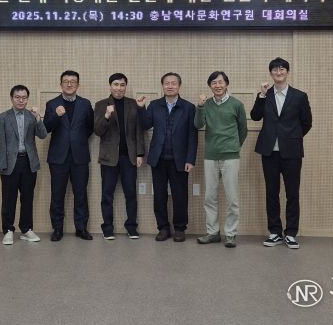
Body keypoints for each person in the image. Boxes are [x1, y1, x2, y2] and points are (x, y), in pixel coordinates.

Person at [251, 57, 312, 249]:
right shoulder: (265, 95)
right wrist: (261, 96)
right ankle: (275, 232)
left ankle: (291, 233)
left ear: (287, 72)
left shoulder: (299, 96)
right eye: (275, 70)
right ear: (271, 73)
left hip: (292, 151)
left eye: (282, 69)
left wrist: (292, 137)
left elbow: (307, 122)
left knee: (292, 193)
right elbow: (255, 116)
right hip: (269, 151)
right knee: (272, 193)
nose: (278, 72)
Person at [137, 72, 197, 242]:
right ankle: (163, 228)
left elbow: (192, 136)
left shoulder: (188, 107)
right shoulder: (155, 105)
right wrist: (141, 108)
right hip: (158, 158)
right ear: (162, 86)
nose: (170, 86)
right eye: (167, 83)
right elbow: (145, 124)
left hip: (180, 159)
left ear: (179, 86)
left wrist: (190, 159)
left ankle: (180, 228)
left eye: (173, 83)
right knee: (159, 195)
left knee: (180, 195)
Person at [194, 71, 248, 248]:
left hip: (231, 156)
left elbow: (243, 129)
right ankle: (213, 232)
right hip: (210, 156)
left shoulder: (237, 104)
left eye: (220, 82)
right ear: (210, 86)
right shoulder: (206, 104)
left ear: (226, 84)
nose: (217, 86)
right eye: (214, 83)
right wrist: (200, 106)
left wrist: (234, 146)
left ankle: (230, 234)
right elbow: (198, 125)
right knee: (210, 197)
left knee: (232, 199)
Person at [44, 70, 95, 241]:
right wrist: (56, 116)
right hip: (58, 157)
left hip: (80, 156)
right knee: (57, 195)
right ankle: (57, 229)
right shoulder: (52, 104)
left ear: (78, 85)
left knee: (81, 195)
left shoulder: (85, 104)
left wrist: (77, 140)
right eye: (66, 81)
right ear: (61, 84)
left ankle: (81, 228)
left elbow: (90, 127)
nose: (69, 84)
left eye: (73, 81)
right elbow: (46, 128)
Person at [94, 73, 145, 240]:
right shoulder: (101, 104)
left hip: (129, 157)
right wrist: (107, 116)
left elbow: (139, 130)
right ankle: (107, 228)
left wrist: (139, 153)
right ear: (110, 86)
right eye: (115, 84)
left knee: (130, 193)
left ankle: (131, 227)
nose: (119, 88)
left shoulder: (133, 104)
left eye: (122, 85)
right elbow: (98, 131)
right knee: (107, 194)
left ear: (125, 86)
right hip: (109, 157)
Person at [0, 85, 47, 245]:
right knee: (8, 198)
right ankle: (8, 230)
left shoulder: (32, 116)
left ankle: (26, 229)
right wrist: (1, 165)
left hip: (29, 162)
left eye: (24, 97)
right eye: (17, 97)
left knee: (28, 198)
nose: (21, 100)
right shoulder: (3, 117)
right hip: (10, 163)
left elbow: (43, 134)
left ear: (27, 99)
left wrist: (38, 118)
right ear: (12, 98)